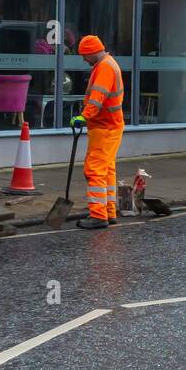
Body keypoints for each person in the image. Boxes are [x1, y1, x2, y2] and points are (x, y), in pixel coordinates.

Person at [69, 35, 125, 229]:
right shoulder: (108, 64)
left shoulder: (105, 68)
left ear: (93, 52)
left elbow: (96, 98)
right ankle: (109, 211)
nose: (84, 59)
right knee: (107, 170)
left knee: (94, 169)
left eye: (85, 55)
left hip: (105, 127)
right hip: (110, 126)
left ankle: (98, 215)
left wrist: (84, 116)